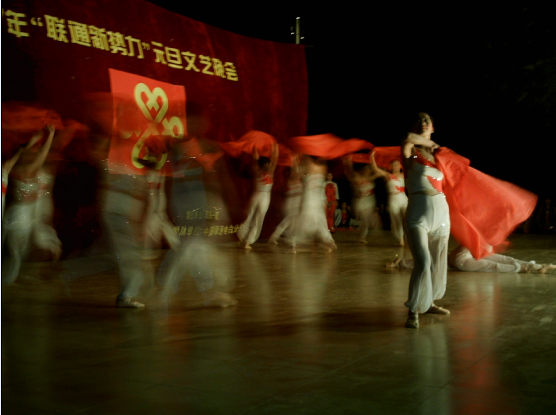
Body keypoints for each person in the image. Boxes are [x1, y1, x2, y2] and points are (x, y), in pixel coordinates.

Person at [402, 113, 450, 329]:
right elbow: (408, 138)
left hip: (442, 213)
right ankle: (413, 310)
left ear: (433, 127)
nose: (422, 122)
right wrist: (432, 143)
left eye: (427, 120)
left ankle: (428, 303)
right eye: (419, 120)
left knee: (437, 263)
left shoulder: (441, 157)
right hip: (417, 213)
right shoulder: (410, 151)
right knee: (423, 262)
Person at [387, 245, 556, 274]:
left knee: (505, 258)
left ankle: (539, 266)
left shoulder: (486, 230)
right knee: (493, 265)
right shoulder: (476, 229)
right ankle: (527, 269)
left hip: (467, 256)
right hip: (462, 260)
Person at [237, 144, 278, 249]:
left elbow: (272, 159)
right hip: (261, 196)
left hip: (260, 196)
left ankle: (245, 240)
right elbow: (271, 159)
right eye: (268, 164)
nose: (269, 165)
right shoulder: (262, 171)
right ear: (264, 164)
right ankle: (244, 239)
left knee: (253, 217)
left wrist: (272, 146)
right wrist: (273, 146)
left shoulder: (262, 170)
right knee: (254, 217)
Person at [343, 155, 382, 243]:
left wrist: (377, 165)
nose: (368, 171)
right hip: (361, 202)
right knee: (365, 219)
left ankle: (362, 237)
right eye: (367, 169)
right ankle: (362, 235)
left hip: (370, 201)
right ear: (363, 170)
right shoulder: (358, 177)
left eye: (369, 169)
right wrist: (348, 163)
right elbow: (350, 173)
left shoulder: (370, 178)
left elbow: (379, 173)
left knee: (368, 221)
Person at [372, 153, 408, 246]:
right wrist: (372, 157)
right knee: (396, 219)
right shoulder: (388, 175)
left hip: (403, 198)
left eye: (397, 164)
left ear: (400, 166)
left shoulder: (404, 174)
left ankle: (410, 237)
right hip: (393, 199)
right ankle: (401, 239)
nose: (395, 166)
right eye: (394, 165)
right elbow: (375, 169)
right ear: (391, 167)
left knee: (408, 217)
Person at [268, 155, 303, 245]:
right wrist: (294, 157)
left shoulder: (295, 180)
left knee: (289, 222)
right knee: (289, 222)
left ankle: (277, 236)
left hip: (293, 204)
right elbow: (296, 168)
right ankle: (286, 239)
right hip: (293, 204)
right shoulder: (293, 178)